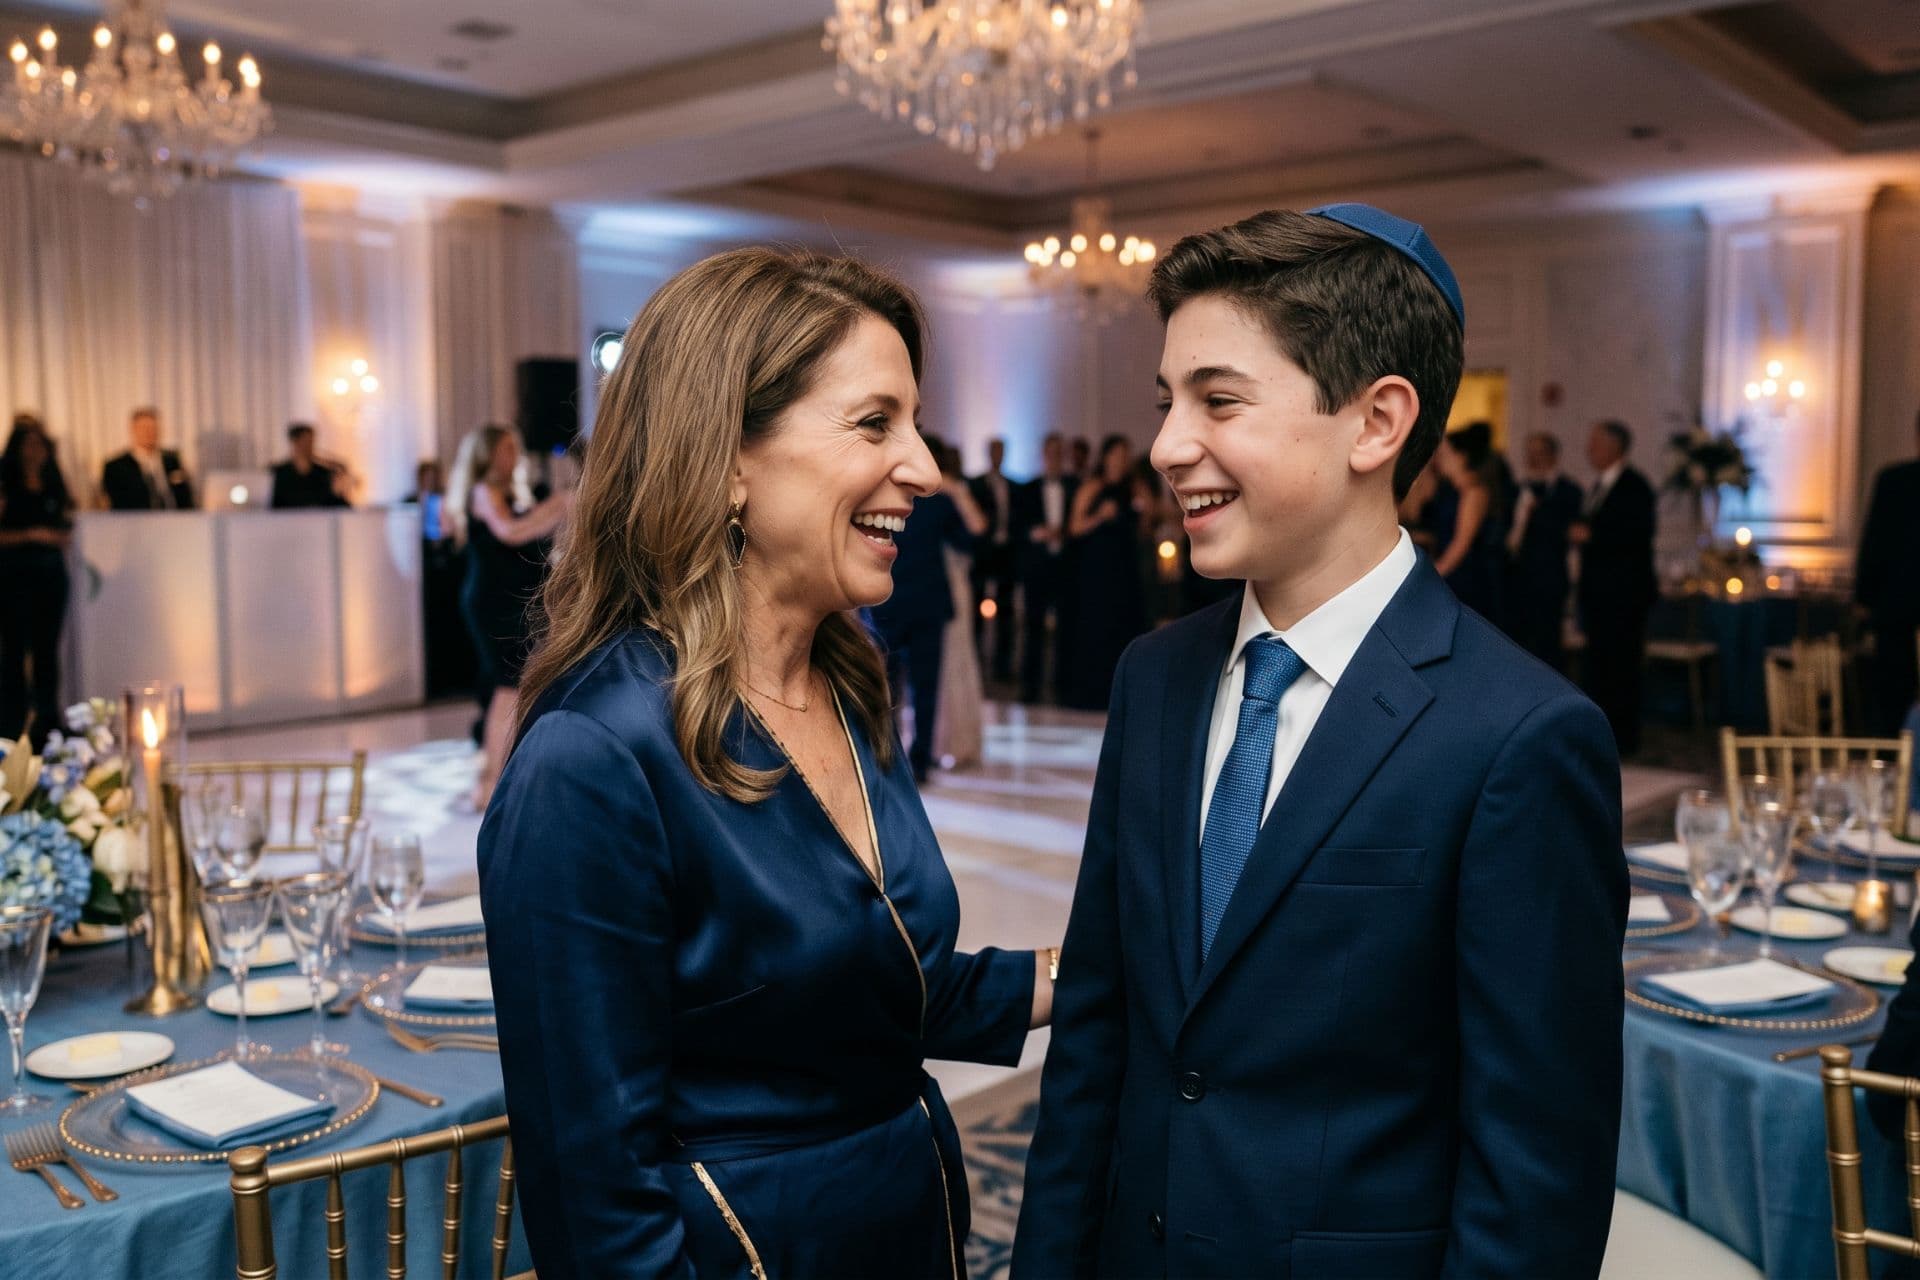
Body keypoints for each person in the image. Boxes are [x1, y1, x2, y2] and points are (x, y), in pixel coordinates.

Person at [1014, 205, 1626, 1279]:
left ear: (1376, 422)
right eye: (1168, 402)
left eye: (1220, 400)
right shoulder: (1153, 677)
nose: (1166, 446)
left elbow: (1535, 1173)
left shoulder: (1519, 737)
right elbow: (1099, 1034)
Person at [478, 248, 1055, 1279]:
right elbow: (596, 1197)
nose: (924, 468)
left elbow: (863, 990)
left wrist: (1113, 959)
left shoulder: (849, 680)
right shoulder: (592, 754)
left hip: (906, 1226)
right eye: (876, 423)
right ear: (730, 459)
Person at [446, 423, 570, 812]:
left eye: (514, 448)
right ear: (486, 454)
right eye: (504, 449)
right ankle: (490, 786)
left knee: (515, 689)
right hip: (496, 603)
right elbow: (510, 533)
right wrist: (561, 504)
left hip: (514, 600)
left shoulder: (512, 493)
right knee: (508, 689)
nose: (511, 456)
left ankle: (502, 781)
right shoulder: (483, 492)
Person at [872, 432, 986, 783]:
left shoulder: (881, 496)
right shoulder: (939, 503)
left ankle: (888, 758)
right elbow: (970, 542)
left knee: (888, 687)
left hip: (889, 602)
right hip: (926, 604)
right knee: (925, 688)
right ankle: (918, 761)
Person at [1572, 418, 1657, 757]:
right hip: (1599, 595)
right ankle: (1603, 737)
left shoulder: (1635, 486)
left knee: (1621, 668)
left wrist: (1592, 537)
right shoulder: (1598, 486)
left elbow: (1635, 535)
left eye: (1596, 443)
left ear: (1614, 448)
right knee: (1600, 667)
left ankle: (1623, 740)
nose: (1589, 450)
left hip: (1623, 596)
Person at [0, 414, 75, 750]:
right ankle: (13, 723)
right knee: (13, 651)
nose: (35, 452)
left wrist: (52, 537)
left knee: (47, 651)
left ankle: (48, 719)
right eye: (29, 445)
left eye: (39, 445)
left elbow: (66, 528)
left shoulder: (53, 485)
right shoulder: (6, 485)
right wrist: (32, 534)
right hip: (14, 575)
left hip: (50, 574)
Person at [1063, 434, 1149, 709]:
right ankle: (1092, 694)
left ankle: (1124, 695)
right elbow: (1074, 528)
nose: (1122, 461)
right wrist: (1100, 516)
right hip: (1097, 569)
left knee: (1125, 627)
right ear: (1106, 456)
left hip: (1124, 567)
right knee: (1096, 628)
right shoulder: (1092, 486)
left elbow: (1151, 515)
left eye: (1126, 455)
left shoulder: (1133, 487)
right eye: (1117, 454)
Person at [1855, 408, 1920, 736]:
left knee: (1892, 705)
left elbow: (1875, 543)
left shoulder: (1893, 480)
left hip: (1896, 608)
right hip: (1896, 612)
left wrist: (1863, 597)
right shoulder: (1892, 480)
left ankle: (1894, 768)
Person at [1507, 431, 1583, 671]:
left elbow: (1570, 532)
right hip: (1520, 577)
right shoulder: (1518, 489)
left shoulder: (1569, 490)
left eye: (1538, 453)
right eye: (1529, 454)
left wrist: (1538, 514)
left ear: (1552, 456)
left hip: (1551, 577)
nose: (1533, 459)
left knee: (1548, 642)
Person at [1011, 433, 1079, 703]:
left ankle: (1064, 688)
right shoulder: (1027, 489)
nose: (1055, 458)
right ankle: (1031, 688)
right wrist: (1035, 533)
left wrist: (1063, 533)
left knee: (1067, 629)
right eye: (1051, 452)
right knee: (1033, 627)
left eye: (1059, 452)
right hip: (1037, 569)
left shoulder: (1074, 487)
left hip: (1065, 568)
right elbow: (1017, 528)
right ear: (1044, 455)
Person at [936, 439, 990, 770]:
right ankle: (944, 740)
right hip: (944, 578)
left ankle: (956, 740)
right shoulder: (946, 492)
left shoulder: (951, 491)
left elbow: (978, 529)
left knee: (956, 658)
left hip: (953, 580)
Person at [1430, 429, 1505, 625]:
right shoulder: (1447, 490)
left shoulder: (1474, 491)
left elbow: (1461, 543)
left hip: (1466, 576)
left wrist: (1434, 574)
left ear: (1462, 457)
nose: (1438, 459)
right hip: (1454, 573)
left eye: (1445, 454)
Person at [100, 407, 195, 510]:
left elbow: (185, 497)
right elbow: (116, 503)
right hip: (137, 522)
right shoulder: (115, 466)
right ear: (133, 430)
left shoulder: (172, 460)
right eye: (144, 428)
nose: (149, 433)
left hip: (176, 520)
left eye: (153, 428)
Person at [268, 422, 352, 509]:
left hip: (317, 520)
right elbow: (275, 504)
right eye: (305, 442)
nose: (309, 446)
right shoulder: (280, 472)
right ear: (294, 443)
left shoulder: (322, 473)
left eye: (311, 441)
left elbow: (332, 502)